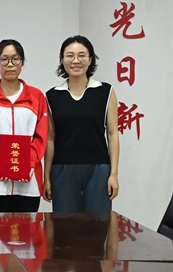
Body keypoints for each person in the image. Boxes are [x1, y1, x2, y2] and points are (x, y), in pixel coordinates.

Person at [43, 35, 119, 212]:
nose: (76, 60)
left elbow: (113, 134)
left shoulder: (105, 91)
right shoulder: (52, 96)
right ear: (62, 60)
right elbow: (50, 139)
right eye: (70, 55)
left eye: (82, 55)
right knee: (65, 225)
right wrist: (46, 177)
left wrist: (113, 174)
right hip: (62, 170)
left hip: (98, 169)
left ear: (90, 59)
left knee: (98, 224)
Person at [0, 39, 48, 212]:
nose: (10, 64)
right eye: (4, 59)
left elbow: (41, 136)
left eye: (15, 59)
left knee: (28, 229)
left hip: (29, 182)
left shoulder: (36, 97)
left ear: (22, 62)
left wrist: (30, 162)